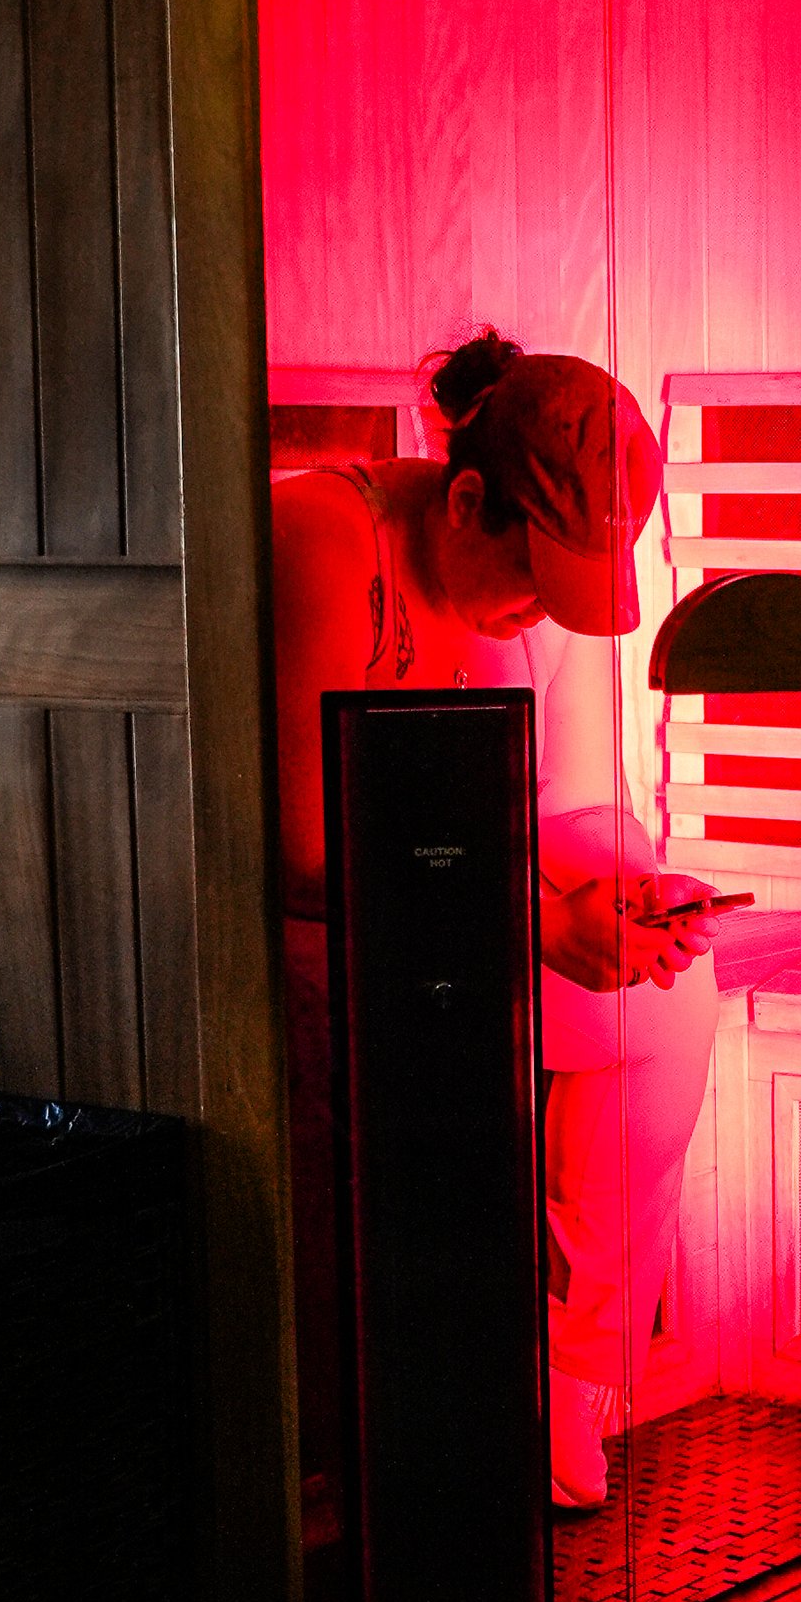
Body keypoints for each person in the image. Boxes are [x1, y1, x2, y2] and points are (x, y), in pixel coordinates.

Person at [270, 332, 721, 1509]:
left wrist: (621, 891)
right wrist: (535, 923)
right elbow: (307, 850)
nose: (536, 617)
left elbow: (544, 807)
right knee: (468, 1029)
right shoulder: (327, 537)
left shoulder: (508, 589)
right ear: (467, 498)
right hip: (306, 934)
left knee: (671, 1004)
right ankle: (457, 1388)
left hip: (448, 905)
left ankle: (569, 1369)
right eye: (533, 582)